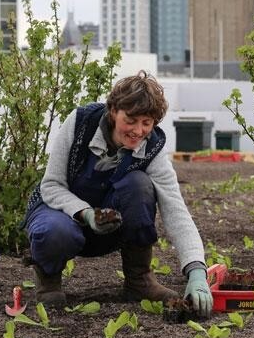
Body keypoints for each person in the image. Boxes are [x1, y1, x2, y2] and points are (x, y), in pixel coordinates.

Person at [24, 71, 213, 318]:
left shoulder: (152, 149)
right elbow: (51, 185)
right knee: (55, 230)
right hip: (59, 216)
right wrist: (87, 214)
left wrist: (197, 270)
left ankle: (139, 280)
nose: (138, 131)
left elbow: (176, 210)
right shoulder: (81, 122)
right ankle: (48, 282)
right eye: (131, 120)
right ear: (113, 111)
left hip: (110, 229)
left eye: (147, 123)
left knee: (139, 184)